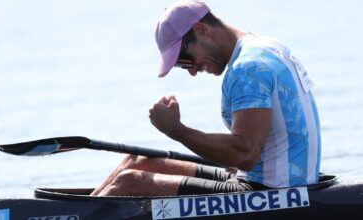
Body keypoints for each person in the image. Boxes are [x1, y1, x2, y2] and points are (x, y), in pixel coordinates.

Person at [91, 0, 321, 197]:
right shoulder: (267, 46)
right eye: (183, 66)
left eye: (185, 58)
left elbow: (245, 153)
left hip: (275, 191)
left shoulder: (247, 69)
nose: (191, 70)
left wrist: (176, 130)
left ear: (201, 30)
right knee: (137, 161)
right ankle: (70, 210)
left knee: (129, 182)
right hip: (267, 178)